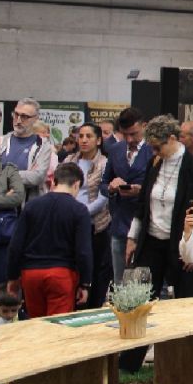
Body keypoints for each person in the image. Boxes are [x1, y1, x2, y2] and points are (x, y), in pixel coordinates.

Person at [126, 115, 193, 300]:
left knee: (184, 300)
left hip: (181, 243)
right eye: (151, 147)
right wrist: (132, 238)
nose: (154, 151)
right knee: (141, 298)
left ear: (172, 139)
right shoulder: (154, 162)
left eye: (158, 147)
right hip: (151, 242)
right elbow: (142, 204)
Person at [6, 163, 92, 318]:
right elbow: (83, 251)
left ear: (54, 181)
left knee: (36, 323)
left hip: (31, 274)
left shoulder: (31, 206)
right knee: (57, 325)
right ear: (76, 184)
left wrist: (12, 276)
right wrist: (85, 283)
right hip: (61, 274)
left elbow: (15, 246)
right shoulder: (79, 210)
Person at [102, 107, 153, 284]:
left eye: (133, 134)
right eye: (125, 135)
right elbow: (103, 184)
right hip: (120, 225)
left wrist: (141, 190)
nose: (129, 139)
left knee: (145, 283)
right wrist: (111, 188)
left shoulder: (154, 150)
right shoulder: (116, 149)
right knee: (119, 281)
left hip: (146, 227)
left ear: (144, 126)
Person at [66, 123, 113, 308]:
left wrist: (81, 213)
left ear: (99, 140)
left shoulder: (105, 163)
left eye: (89, 136)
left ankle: (92, 306)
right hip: (69, 222)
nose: (84, 140)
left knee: (95, 269)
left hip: (95, 224)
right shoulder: (69, 160)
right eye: (81, 136)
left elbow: (104, 197)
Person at [0, 131, 25, 321]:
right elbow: (8, 199)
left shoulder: (8, 170)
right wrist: (1, 198)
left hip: (1, 240)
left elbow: (17, 197)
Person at [0, 98, 53, 202]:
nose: (18, 120)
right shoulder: (1, 142)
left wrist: (5, 175)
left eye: (24, 116)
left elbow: (37, 177)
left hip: (27, 205)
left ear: (36, 119)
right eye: (16, 115)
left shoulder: (42, 146)